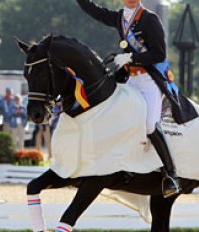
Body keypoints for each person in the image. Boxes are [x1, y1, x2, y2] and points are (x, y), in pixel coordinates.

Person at [76, 0, 180, 198]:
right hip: (130, 79)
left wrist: (132, 58)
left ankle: (171, 174)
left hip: (149, 80)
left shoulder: (150, 19)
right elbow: (95, 12)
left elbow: (159, 54)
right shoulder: (119, 18)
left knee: (149, 125)